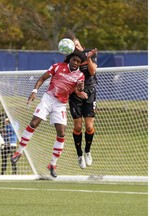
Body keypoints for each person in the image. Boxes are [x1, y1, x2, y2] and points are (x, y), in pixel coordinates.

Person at [10, 50, 91, 178]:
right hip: (48, 99)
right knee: (34, 123)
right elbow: (42, 78)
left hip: (60, 104)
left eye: (78, 62)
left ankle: (52, 164)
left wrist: (80, 89)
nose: (76, 63)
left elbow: (77, 90)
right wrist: (34, 91)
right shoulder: (58, 66)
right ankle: (18, 152)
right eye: (74, 60)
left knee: (62, 133)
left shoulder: (80, 75)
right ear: (70, 59)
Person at [64, 30, 98, 169]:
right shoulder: (70, 58)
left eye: (76, 43)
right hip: (75, 94)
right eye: (72, 45)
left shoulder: (90, 52)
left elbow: (92, 71)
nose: (75, 46)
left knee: (89, 126)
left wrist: (88, 58)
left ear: (77, 41)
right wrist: (76, 92)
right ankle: (79, 155)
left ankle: (87, 151)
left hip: (90, 91)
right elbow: (66, 79)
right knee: (78, 126)